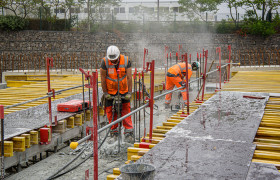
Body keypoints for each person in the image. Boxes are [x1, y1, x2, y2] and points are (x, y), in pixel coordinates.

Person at [100, 45, 134, 143]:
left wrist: (129, 92)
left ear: (118, 55)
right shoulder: (105, 62)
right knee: (110, 111)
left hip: (123, 90)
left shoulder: (126, 60)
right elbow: (102, 78)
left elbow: (129, 77)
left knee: (126, 110)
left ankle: (128, 133)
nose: (113, 61)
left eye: (115, 59)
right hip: (110, 91)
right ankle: (114, 133)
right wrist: (105, 93)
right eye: (112, 59)